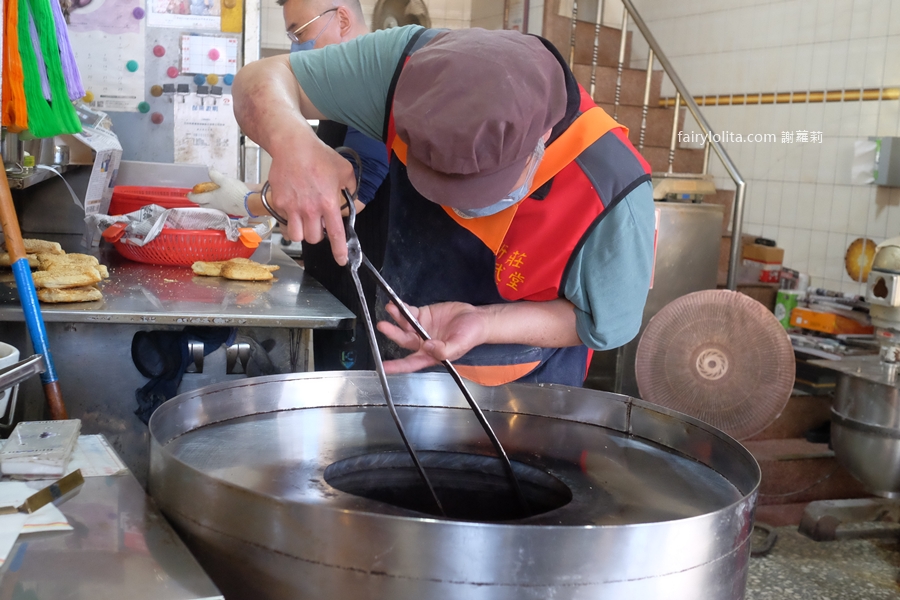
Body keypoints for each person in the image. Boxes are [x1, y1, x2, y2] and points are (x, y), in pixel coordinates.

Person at [227, 24, 656, 387]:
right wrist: (295, 145)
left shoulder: (613, 188)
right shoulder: (400, 68)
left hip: (525, 399)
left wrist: (487, 323)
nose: (457, 209)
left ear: (542, 135)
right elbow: (258, 80)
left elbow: (600, 323)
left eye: (481, 189)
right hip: (392, 363)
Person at [190, 0, 389, 372]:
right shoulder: (336, 94)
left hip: (367, 293)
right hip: (334, 283)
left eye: (300, 32)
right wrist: (248, 192)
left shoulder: (375, 85)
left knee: (356, 401)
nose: (296, 46)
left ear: (342, 18)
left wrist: (249, 202)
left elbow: (342, 198)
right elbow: (313, 180)